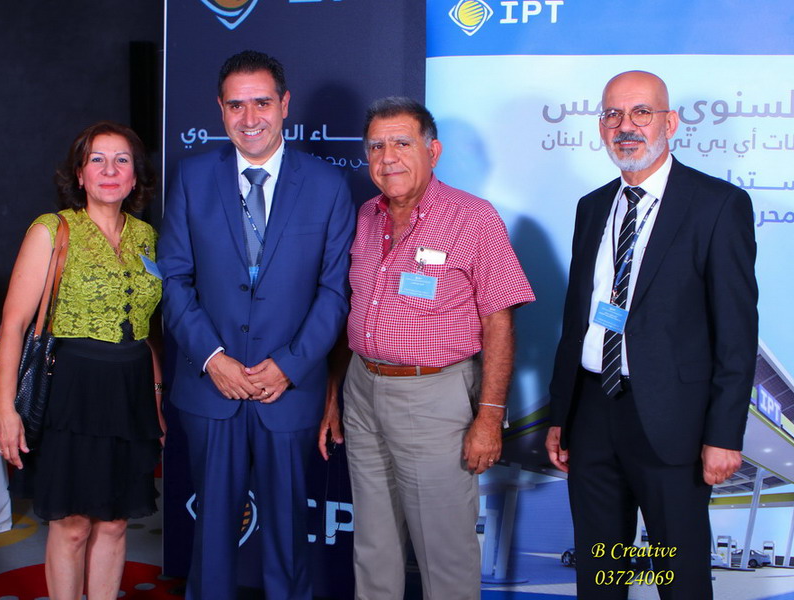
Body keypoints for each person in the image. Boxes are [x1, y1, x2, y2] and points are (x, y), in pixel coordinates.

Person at [544, 71, 758, 600]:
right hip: (592, 413)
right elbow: (576, 320)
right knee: (601, 574)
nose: (626, 126)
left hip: (673, 421)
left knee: (679, 578)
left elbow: (736, 332)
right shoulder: (592, 206)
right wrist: (561, 413)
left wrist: (725, 434)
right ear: (601, 126)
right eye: (612, 114)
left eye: (641, 112)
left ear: (670, 123)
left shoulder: (717, 205)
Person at [319, 97, 534, 600]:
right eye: (376, 146)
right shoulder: (366, 216)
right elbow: (354, 312)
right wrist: (334, 395)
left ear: (432, 151)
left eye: (402, 143)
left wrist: (489, 418)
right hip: (363, 391)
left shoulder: (472, 218)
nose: (388, 157)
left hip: (433, 398)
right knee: (372, 545)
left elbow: (499, 323)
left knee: (445, 553)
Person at [157, 50, 354, 600]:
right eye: (236, 105)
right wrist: (212, 359)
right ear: (220, 109)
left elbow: (335, 291)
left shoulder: (327, 185)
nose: (249, 118)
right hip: (210, 387)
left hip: (287, 391)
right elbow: (174, 279)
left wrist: (289, 366)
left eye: (261, 103)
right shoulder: (193, 177)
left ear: (285, 104)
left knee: (289, 540)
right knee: (211, 538)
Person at [0, 121, 163, 600]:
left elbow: (145, 329)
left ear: (135, 176)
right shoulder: (53, 230)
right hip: (72, 392)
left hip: (130, 394)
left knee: (114, 522)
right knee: (72, 526)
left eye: (121, 160)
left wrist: (156, 400)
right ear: (80, 174)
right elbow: (13, 325)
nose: (110, 170)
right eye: (97, 160)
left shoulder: (146, 236)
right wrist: (5, 410)